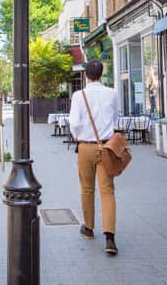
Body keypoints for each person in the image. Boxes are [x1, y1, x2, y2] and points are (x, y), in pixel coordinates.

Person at [68, 60, 120, 255]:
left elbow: (74, 122)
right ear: (102, 74)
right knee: (107, 192)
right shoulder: (112, 93)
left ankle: (89, 228)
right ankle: (110, 238)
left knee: (87, 189)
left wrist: (78, 137)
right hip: (106, 146)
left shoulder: (78, 95)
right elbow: (115, 118)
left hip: (86, 147)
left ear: (85, 75)